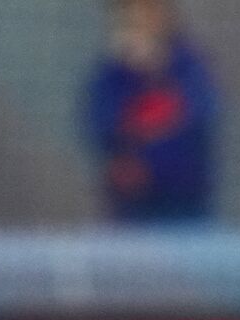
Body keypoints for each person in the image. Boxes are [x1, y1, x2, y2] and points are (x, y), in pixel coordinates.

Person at [86, 0, 218, 222]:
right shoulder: (110, 76)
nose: (142, 23)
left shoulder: (190, 68)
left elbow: (195, 118)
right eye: (131, 18)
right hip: (131, 210)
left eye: (148, 13)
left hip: (186, 204)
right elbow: (104, 128)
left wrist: (155, 71)